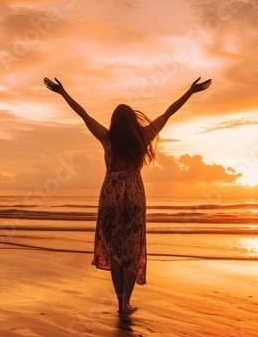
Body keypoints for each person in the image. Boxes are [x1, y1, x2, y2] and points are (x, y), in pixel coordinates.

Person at [44, 76, 212, 315]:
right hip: (133, 196)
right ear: (133, 121)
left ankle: (120, 303)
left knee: (115, 251)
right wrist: (189, 91)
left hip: (111, 196)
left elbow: (83, 115)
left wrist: (63, 93)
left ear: (114, 121)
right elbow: (169, 112)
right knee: (131, 250)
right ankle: (126, 304)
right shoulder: (143, 137)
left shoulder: (106, 138)